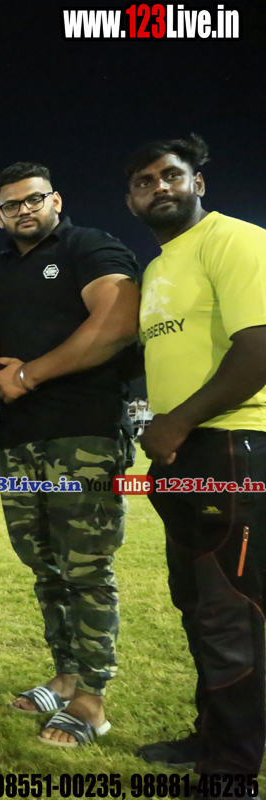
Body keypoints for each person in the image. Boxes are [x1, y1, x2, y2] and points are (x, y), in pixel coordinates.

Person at [0, 162, 140, 747]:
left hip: (84, 435)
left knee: (86, 570)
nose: (24, 210)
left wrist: (30, 374)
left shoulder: (88, 246)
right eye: (11, 205)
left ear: (55, 200)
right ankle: (66, 675)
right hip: (20, 438)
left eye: (33, 199)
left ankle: (92, 699)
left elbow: (118, 322)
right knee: (44, 567)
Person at [126, 134, 266, 776]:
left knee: (229, 608)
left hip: (230, 445)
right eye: (144, 182)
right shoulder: (158, 267)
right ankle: (212, 737)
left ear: (198, 183)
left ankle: (233, 768)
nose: (159, 187)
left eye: (171, 175)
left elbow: (258, 347)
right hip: (183, 453)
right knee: (197, 604)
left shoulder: (234, 240)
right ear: (131, 200)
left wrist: (177, 422)